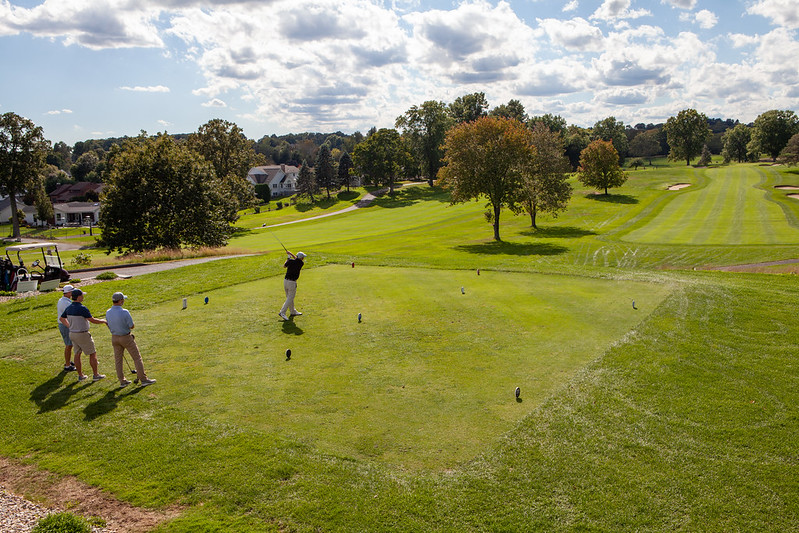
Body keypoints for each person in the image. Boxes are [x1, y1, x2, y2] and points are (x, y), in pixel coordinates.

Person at [105, 292, 156, 387]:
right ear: (120, 301)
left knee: (118, 360)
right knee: (137, 358)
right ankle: (143, 379)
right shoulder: (124, 312)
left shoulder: (108, 312)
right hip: (125, 337)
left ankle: (122, 381)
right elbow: (131, 326)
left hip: (114, 338)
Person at [59, 288, 107, 382]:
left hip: (72, 333)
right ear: (79, 297)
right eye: (82, 295)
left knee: (77, 354)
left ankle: (81, 375)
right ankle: (96, 375)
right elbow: (92, 320)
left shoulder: (69, 308)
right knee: (92, 353)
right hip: (82, 334)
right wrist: (103, 321)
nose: (83, 297)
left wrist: (70, 326)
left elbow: (62, 318)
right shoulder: (82, 308)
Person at [56, 284, 79, 372]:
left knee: (70, 344)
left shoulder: (63, 300)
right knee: (69, 345)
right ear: (69, 293)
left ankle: (68, 361)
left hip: (64, 324)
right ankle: (67, 365)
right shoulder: (65, 303)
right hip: (65, 325)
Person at [279, 251, 306, 321]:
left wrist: (288, 257)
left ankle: (293, 311)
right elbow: (296, 259)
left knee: (289, 297)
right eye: (303, 257)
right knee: (290, 298)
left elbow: (284, 266)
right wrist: (290, 254)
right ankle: (282, 312)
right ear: (302, 258)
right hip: (292, 283)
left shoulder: (291, 261)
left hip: (285, 281)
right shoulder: (301, 263)